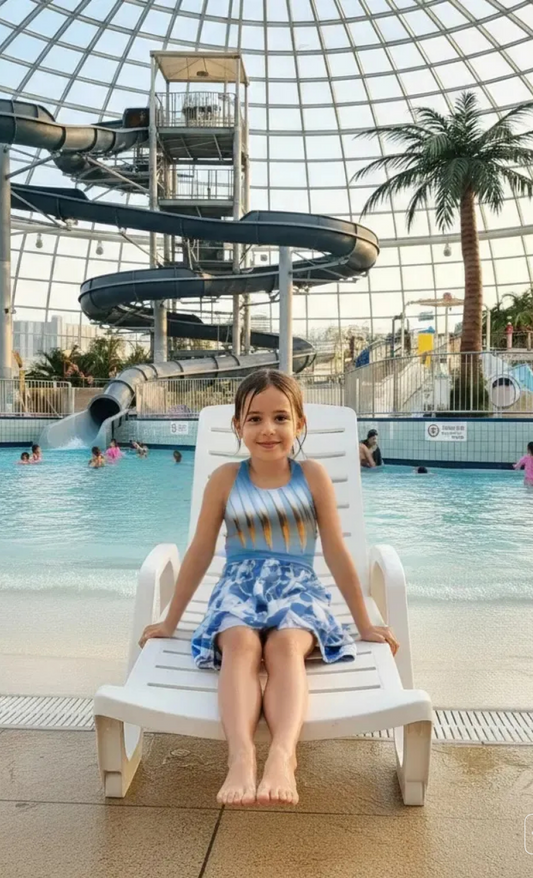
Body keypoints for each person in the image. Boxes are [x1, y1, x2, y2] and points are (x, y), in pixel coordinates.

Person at [139, 369, 399, 808]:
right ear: (238, 426)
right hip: (238, 587)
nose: (268, 430)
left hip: (298, 587)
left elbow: (336, 552)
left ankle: (283, 754)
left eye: (280, 417)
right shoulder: (225, 479)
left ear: (300, 424)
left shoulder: (312, 476)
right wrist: (169, 620)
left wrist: (365, 623)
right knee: (240, 646)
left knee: (284, 648)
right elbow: (200, 551)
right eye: (254, 418)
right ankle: (240, 755)